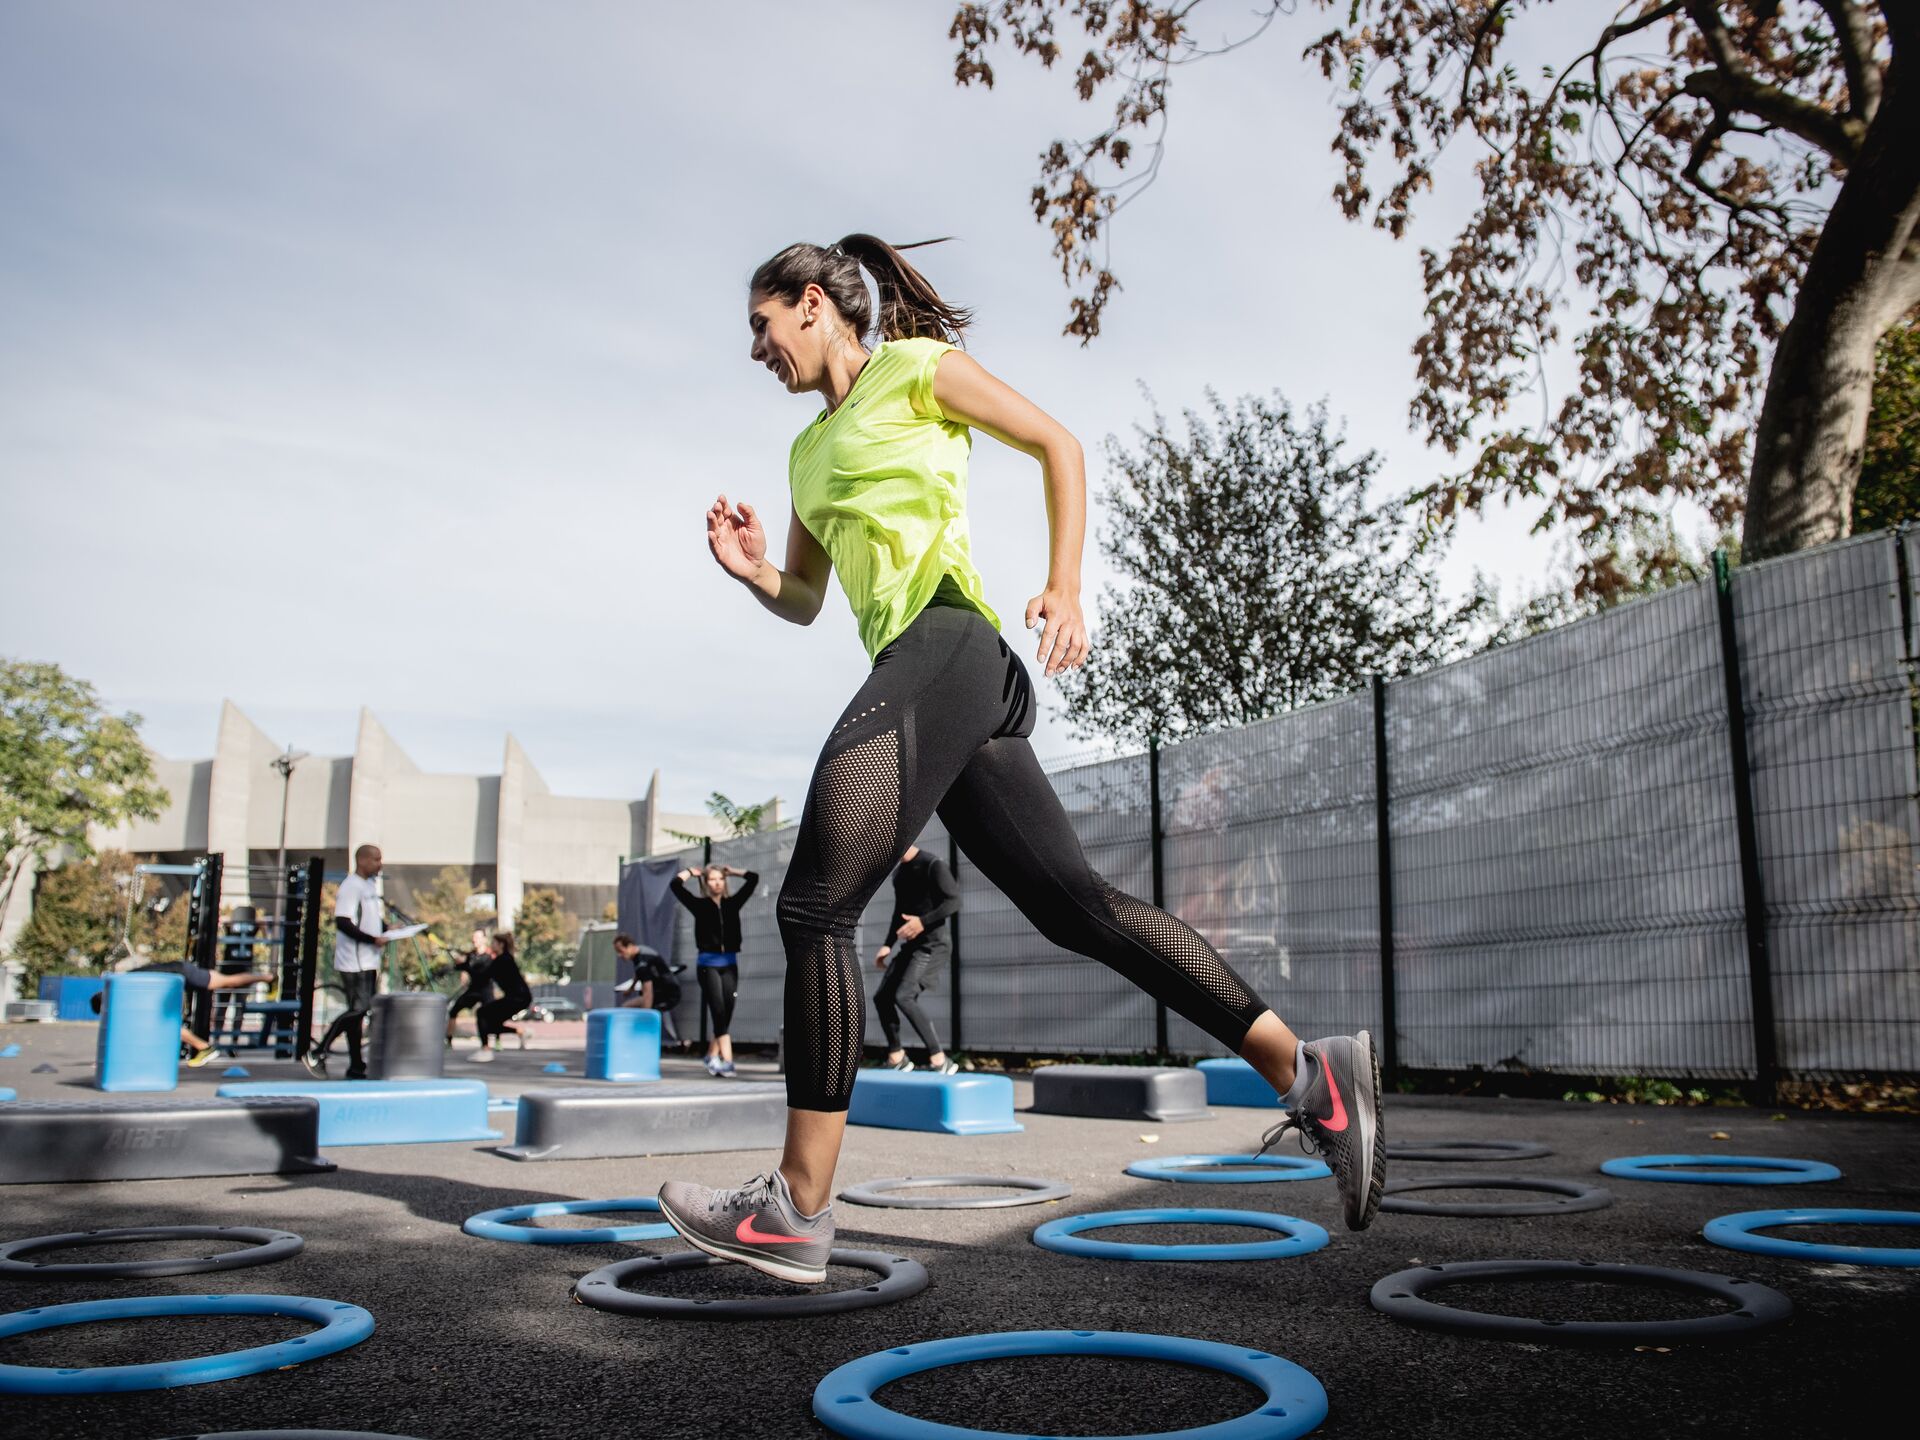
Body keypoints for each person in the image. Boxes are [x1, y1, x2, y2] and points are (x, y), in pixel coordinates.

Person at [656, 234, 1384, 1285]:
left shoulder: (914, 370)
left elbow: (1058, 445)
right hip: (938, 681)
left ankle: (795, 1209)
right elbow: (812, 600)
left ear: (813, 304)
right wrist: (755, 568)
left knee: (815, 907)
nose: (757, 349)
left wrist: (1065, 582)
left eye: (762, 326)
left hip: (949, 644)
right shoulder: (806, 455)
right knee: (1076, 908)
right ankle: (1311, 1075)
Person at [92, 954, 274, 1068]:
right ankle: (267, 977)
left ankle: (205, 1048)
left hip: (183, 974)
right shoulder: (123, 985)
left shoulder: (124, 990)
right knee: (227, 981)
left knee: (227, 982)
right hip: (179, 973)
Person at [873, 844, 959, 1074]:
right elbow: (898, 912)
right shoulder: (899, 873)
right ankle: (897, 1056)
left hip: (933, 946)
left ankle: (940, 1059)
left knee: (904, 996)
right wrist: (887, 945)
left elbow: (953, 901)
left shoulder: (933, 864)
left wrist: (922, 922)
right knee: (882, 997)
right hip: (911, 947)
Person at [305, 843, 389, 1079]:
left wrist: (387, 930)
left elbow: (369, 920)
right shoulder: (351, 886)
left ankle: (356, 1066)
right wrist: (371, 939)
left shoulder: (369, 887)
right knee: (359, 1008)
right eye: (376, 859)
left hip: (368, 960)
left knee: (358, 1013)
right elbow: (343, 922)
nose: (379, 864)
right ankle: (319, 1051)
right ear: (362, 860)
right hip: (354, 961)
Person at [668, 864, 759, 1077]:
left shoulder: (733, 904)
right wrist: (691, 872)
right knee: (718, 1011)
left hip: (729, 964)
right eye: (712, 879)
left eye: (720, 879)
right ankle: (727, 1061)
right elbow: (675, 885)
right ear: (706, 883)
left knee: (726, 1011)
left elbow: (753, 877)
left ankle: (711, 1056)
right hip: (708, 966)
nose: (717, 883)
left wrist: (733, 871)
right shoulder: (699, 905)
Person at [469, 931, 532, 1061]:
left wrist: (465, 965)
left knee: (482, 1013)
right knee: (490, 1024)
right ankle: (521, 1032)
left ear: (501, 945)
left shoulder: (503, 960)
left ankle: (486, 1051)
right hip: (519, 997)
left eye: (494, 943)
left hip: (518, 998)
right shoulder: (503, 958)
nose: (491, 945)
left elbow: (483, 975)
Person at [612, 933, 683, 1045]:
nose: (619, 955)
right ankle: (638, 1038)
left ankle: (644, 1041)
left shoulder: (642, 961)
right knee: (627, 1007)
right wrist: (631, 988)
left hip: (669, 994)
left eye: (620, 951)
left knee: (646, 1012)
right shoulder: (639, 952)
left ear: (629, 946)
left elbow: (648, 992)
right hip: (660, 991)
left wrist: (645, 1015)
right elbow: (638, 974)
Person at [445, 927, 496, 1047]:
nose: (474, 940)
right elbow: (464, 967)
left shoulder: (490, 955)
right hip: (473, 989)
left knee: (490, 1015)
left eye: (477, 937)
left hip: (486, 989)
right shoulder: (471, 955)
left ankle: (496, 1040)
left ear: (484, 939)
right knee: (453, 1011)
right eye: (473, 937)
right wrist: (459, 965)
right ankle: (448, 1040)